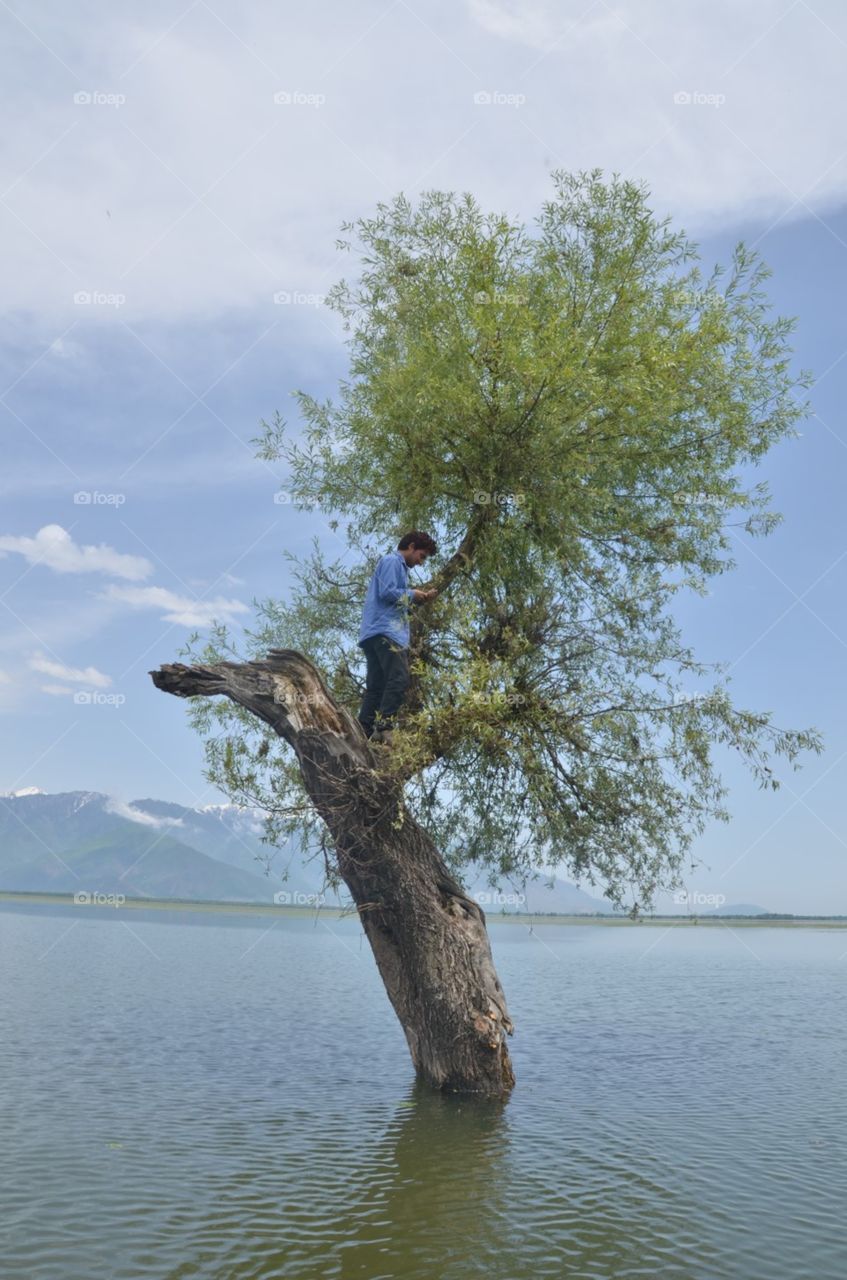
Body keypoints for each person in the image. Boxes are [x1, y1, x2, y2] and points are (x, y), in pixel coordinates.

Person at [357, 531, 439, 742]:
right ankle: (384, 727)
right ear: (411, 547)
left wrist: (418, 598)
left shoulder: (395, 565)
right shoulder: (393, 561)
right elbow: (387, 593)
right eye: (421, 556)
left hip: (374, 632)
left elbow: (391, 597)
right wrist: (413, 594)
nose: (421, 562)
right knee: (399, 678)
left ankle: (361, 731)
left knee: (377, 685)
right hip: (386, 632)